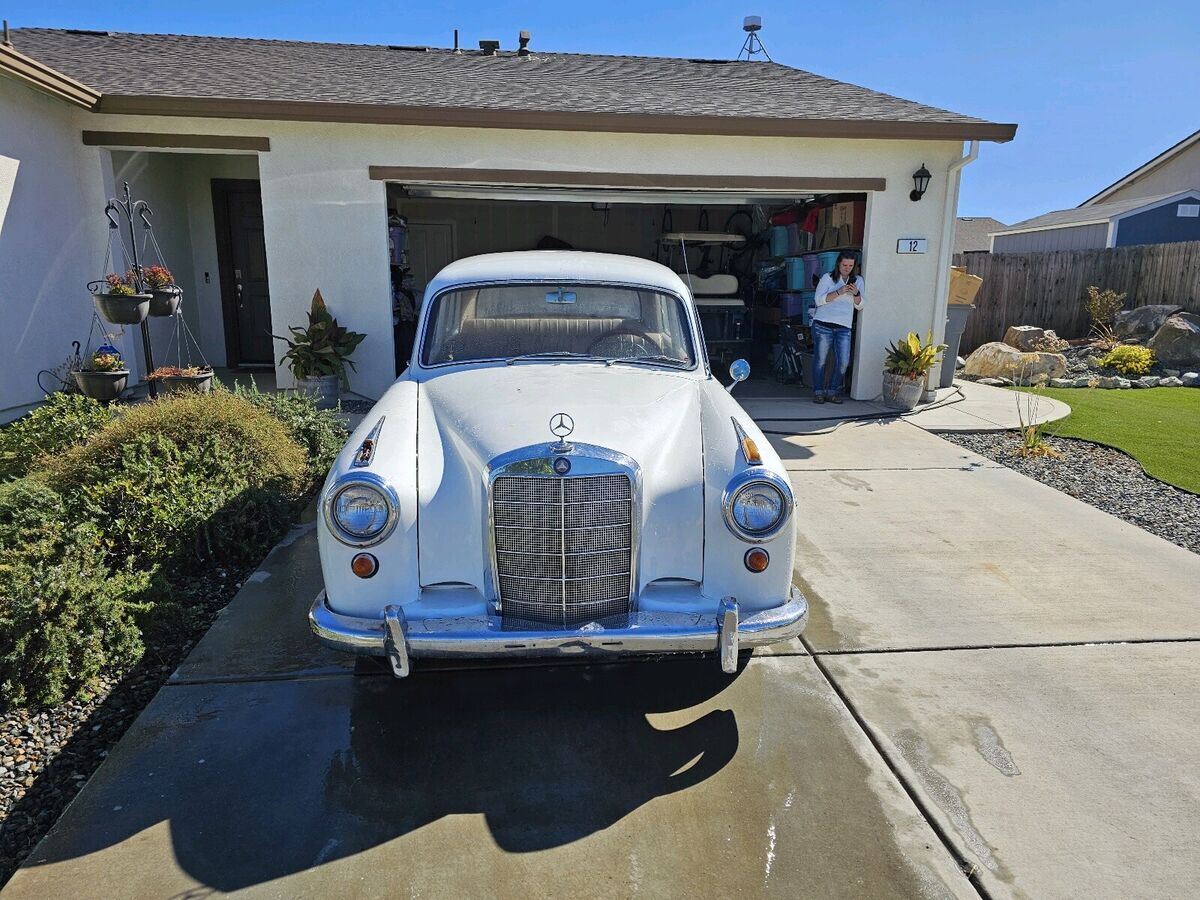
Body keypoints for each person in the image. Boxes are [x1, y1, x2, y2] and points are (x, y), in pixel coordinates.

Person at [810, 252, 864, 403]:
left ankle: (832, 391)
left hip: (844, 327)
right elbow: (819, 300)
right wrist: (839, 292)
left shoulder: (858, 281)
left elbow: (860, 306)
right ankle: (819, 391)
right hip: (823, 324)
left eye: (850, 266)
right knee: (821, 360)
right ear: (838, 264)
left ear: (855, 266)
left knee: (843, 362)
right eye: (844, 265)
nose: (847, 269)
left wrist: (856, 294)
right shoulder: (828, 278)